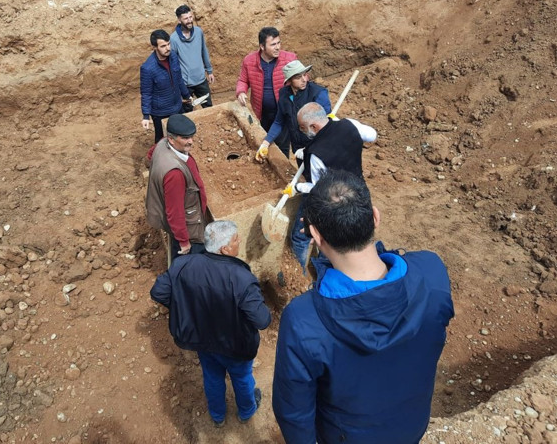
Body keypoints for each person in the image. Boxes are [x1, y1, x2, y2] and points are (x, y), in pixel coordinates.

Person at [272, 169, 455, 444]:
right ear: (375, 217)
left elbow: (294, 411)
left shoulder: (304, 320)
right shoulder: (431, 271)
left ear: (316, 236)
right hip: (411, 424)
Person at [150, 220, 271, 427]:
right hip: (236, 345)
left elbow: (158, 292)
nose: (239, 241)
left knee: (212, 378)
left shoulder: (183, 265)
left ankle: (217, 416)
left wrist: (186, 305)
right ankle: (246, 411)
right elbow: (262, 320)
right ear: (225, 249)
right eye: (235, 239)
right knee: (242, 379)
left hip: (203, 341)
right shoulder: (242, 278)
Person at [286, 102, 377, 269]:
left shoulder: (315, 154)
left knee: (301, 237)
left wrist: (297, 188)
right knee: (338, 240)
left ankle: (304, 273)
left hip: (331, 202)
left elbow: (317, 188)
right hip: (357, 192)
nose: (303, 132)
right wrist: (346, 126)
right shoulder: (348, 124)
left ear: (313, 126)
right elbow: (372, 135)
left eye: (303, 128)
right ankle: (330, 267)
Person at [146, 114, 212, 265]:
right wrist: (184, 241)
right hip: (189, 228)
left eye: (191, 137)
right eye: (185, 138)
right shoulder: (174, 174)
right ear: (171, 138)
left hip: (180, 223)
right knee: (188, 262)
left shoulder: (162, 144)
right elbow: (174, 211)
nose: (191, 142)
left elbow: (150, 155)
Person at [235, 27, 297, 155]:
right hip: (261, 112)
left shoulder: (289, 59)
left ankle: (282, 168)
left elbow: (303, 78)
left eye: (279, 43)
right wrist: (241, 91)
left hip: (283, 111)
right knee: (264, 139)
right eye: (273, 44)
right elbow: (243, 80)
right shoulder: (249, 61)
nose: (277, 47)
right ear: (262, 46)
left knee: (282, 145)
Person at [255, 60, 331, 163]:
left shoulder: (317, 93)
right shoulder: (284, 94)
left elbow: (326, 126)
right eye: (298, 77)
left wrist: (310, 149)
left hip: (318, 148)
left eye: (304, 75)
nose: (304, 80)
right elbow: (279, 122)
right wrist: (266, 142)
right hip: (298, 147)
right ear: (289, 81)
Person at [140, 30, 191, 143]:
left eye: (168, 44)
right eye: (163, 46)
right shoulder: (148, 68)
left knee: (181, 134)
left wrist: (187, 95)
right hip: (160, 112)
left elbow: (178, 78)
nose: (168, 48)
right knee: (162, 139)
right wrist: (146, 116)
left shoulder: (173, 56)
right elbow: (146, 93)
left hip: (177, 106)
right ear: (154, 47)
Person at [170, 4, 214, 111]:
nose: (189, 20)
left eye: (190, 17)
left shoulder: (199, 32)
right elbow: (173, 63)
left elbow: (204, 51)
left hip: (201, 80)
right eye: (186, 18)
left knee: (209, 109)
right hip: (185, 84)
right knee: (187, 112)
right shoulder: (174, 39)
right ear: (179, 20)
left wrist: (209, 71)